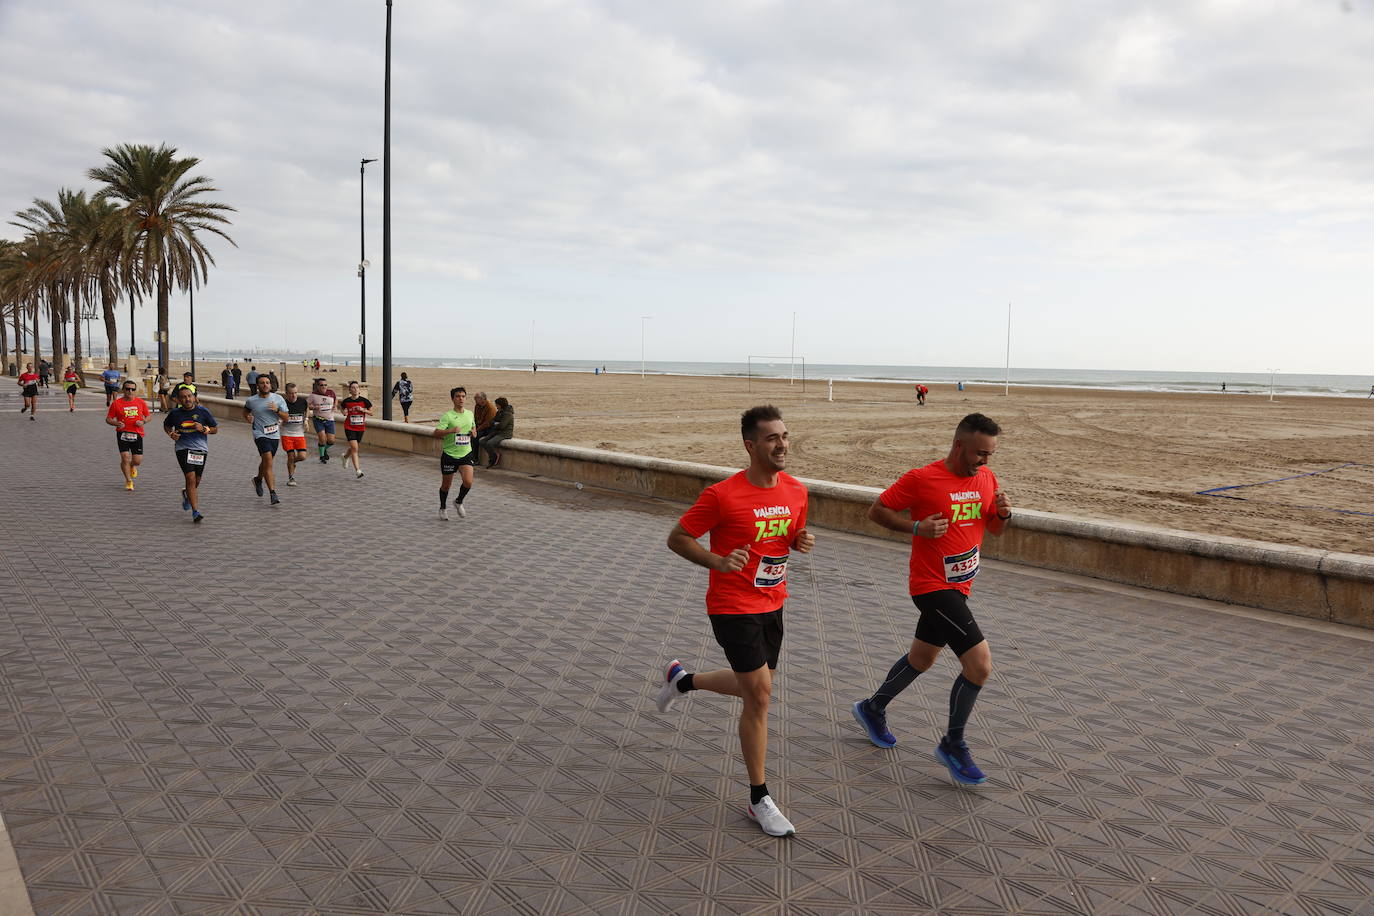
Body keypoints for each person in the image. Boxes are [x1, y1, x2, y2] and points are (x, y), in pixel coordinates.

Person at [655, 405, 815, 838]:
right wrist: (718, 562)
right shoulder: (722, 494)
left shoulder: (797, 492)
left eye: (784, 435)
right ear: (750, 445)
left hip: (773, 602)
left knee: (756, 685)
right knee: (759, 696)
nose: (782, 444)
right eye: (771, 438)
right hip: (731, 604)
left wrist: (798, 540)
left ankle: (682, 682)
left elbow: (785, 536)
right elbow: (678, 538)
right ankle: (759, 797)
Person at [850, 413, 1012, 786]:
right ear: (959, 446)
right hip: (931, 586)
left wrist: (1004, 512)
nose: (985, 461)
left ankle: (872, 708)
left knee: (922, 658)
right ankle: (953, 744)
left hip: (961, 586)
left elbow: (996, 529)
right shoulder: (922, 479)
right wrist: (916, 527)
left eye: (990, 454)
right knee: (980, 664)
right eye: (979, 453)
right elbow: (877, 511)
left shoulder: (986, 478)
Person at [162, 385, 218, 523]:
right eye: (183, 397)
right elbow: (166, 425)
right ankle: (195, 512)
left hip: (200, 449)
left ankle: (187, 493)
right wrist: (171, 434)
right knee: (190, 477)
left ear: (194, 397)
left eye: (189, 396)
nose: (187, 399)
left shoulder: (203, 411)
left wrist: (204, 429)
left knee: (196, 480)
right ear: (179, 400)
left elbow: (215, 429)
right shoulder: (175, 413)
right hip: (182, 448)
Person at [243, 374, 289, 506]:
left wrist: (277, 410)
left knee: (266, 461)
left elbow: (286, 417)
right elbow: (245, 411)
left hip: (274, 434)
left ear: (270, 384)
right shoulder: (252, 400)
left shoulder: (278, 399)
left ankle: (258, 479)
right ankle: (273, 493)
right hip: (259, 433)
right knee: (268, 460)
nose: (265, 385)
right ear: (257, 385)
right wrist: (248, 417)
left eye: (267, 382)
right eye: (262, 383)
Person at [432, 386, 475, 519]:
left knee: (468, 482)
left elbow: (473, 426)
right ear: (453, 399)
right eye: (458, 396)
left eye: (463, 396)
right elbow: (436, 433)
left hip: (465, 453)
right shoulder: (448, 416)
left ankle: (458, 502)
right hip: (450, 455)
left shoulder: (470, 414)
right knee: (446, 485)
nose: (461, 399)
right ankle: (443, 507)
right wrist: (450, 431)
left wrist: (474, 432)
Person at [105, 380, 150, 490]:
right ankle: (128, 481)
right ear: (123, 390)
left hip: (137, 434)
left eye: (132, 389)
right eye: (128, 389)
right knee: (125, 458)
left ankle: (132, 466)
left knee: (137, 461)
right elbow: (108, 419)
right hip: (122, 434)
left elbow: (148, 416)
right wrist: (116, 423)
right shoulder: (116, 403)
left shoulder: (141, 402)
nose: (130, 391)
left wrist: (143, 422)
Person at [338, 381, 372, 479]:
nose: (355, 389)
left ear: (359, 390)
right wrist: (343, 412)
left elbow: (371, 412)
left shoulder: (365, 401)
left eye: (357, 387)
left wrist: (363, 410)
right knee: (355, 448)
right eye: (353, 387)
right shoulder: (346, 401)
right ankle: (358, 470)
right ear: (350, 390)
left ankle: (344, 457)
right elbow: (342, 409)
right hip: (349, 427)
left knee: (354, 448)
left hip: (360, 428)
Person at [280, 382, 309, 486]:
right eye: (291, 393)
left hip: (299, 434)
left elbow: (307, 409)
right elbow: (278, 414)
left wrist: (306, 420)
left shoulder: (302, 401)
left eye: (296, 393)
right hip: (286, 433)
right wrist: (280, 420)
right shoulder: (282, 403)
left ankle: (292, 463)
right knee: (290, 456)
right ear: (286, 393)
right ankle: (291, 478)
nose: (294, 395)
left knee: (302, 456)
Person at [478, 397, 514, 468]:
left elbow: (502, 426)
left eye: (496, 404)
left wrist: (496, 424)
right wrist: (496, 423)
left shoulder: (508, 414)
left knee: (489, 443)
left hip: (505, 433)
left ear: (500, 405)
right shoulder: (499, 412)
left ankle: (493, 458)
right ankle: (494, 454)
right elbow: (492, 422)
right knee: (482, 441)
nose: (496, 406)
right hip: (496, 432)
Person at [307, 377, 338, 463]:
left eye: (325, 385)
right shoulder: (313, 395)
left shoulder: (331, 393)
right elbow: (307, 405)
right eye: (321, 385)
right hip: (318, 420)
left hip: (330, 420)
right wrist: (313, 407)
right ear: (317, 386)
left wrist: (335, 406)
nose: (324, 387)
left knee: (331, 441)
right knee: (322, 439)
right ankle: (322, 456)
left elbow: (336, 400)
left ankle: (323, 449)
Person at [471, 391, 497, 463]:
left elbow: (487, 423)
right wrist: (473, 428)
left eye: (476, 398)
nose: (475, 400)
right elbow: (475, 418)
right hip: (480, 427)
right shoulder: (477, 406)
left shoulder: (490, 407)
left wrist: (476, 430)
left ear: (483, 399)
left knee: (475, 437)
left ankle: (475, 459)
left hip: (489, 428)